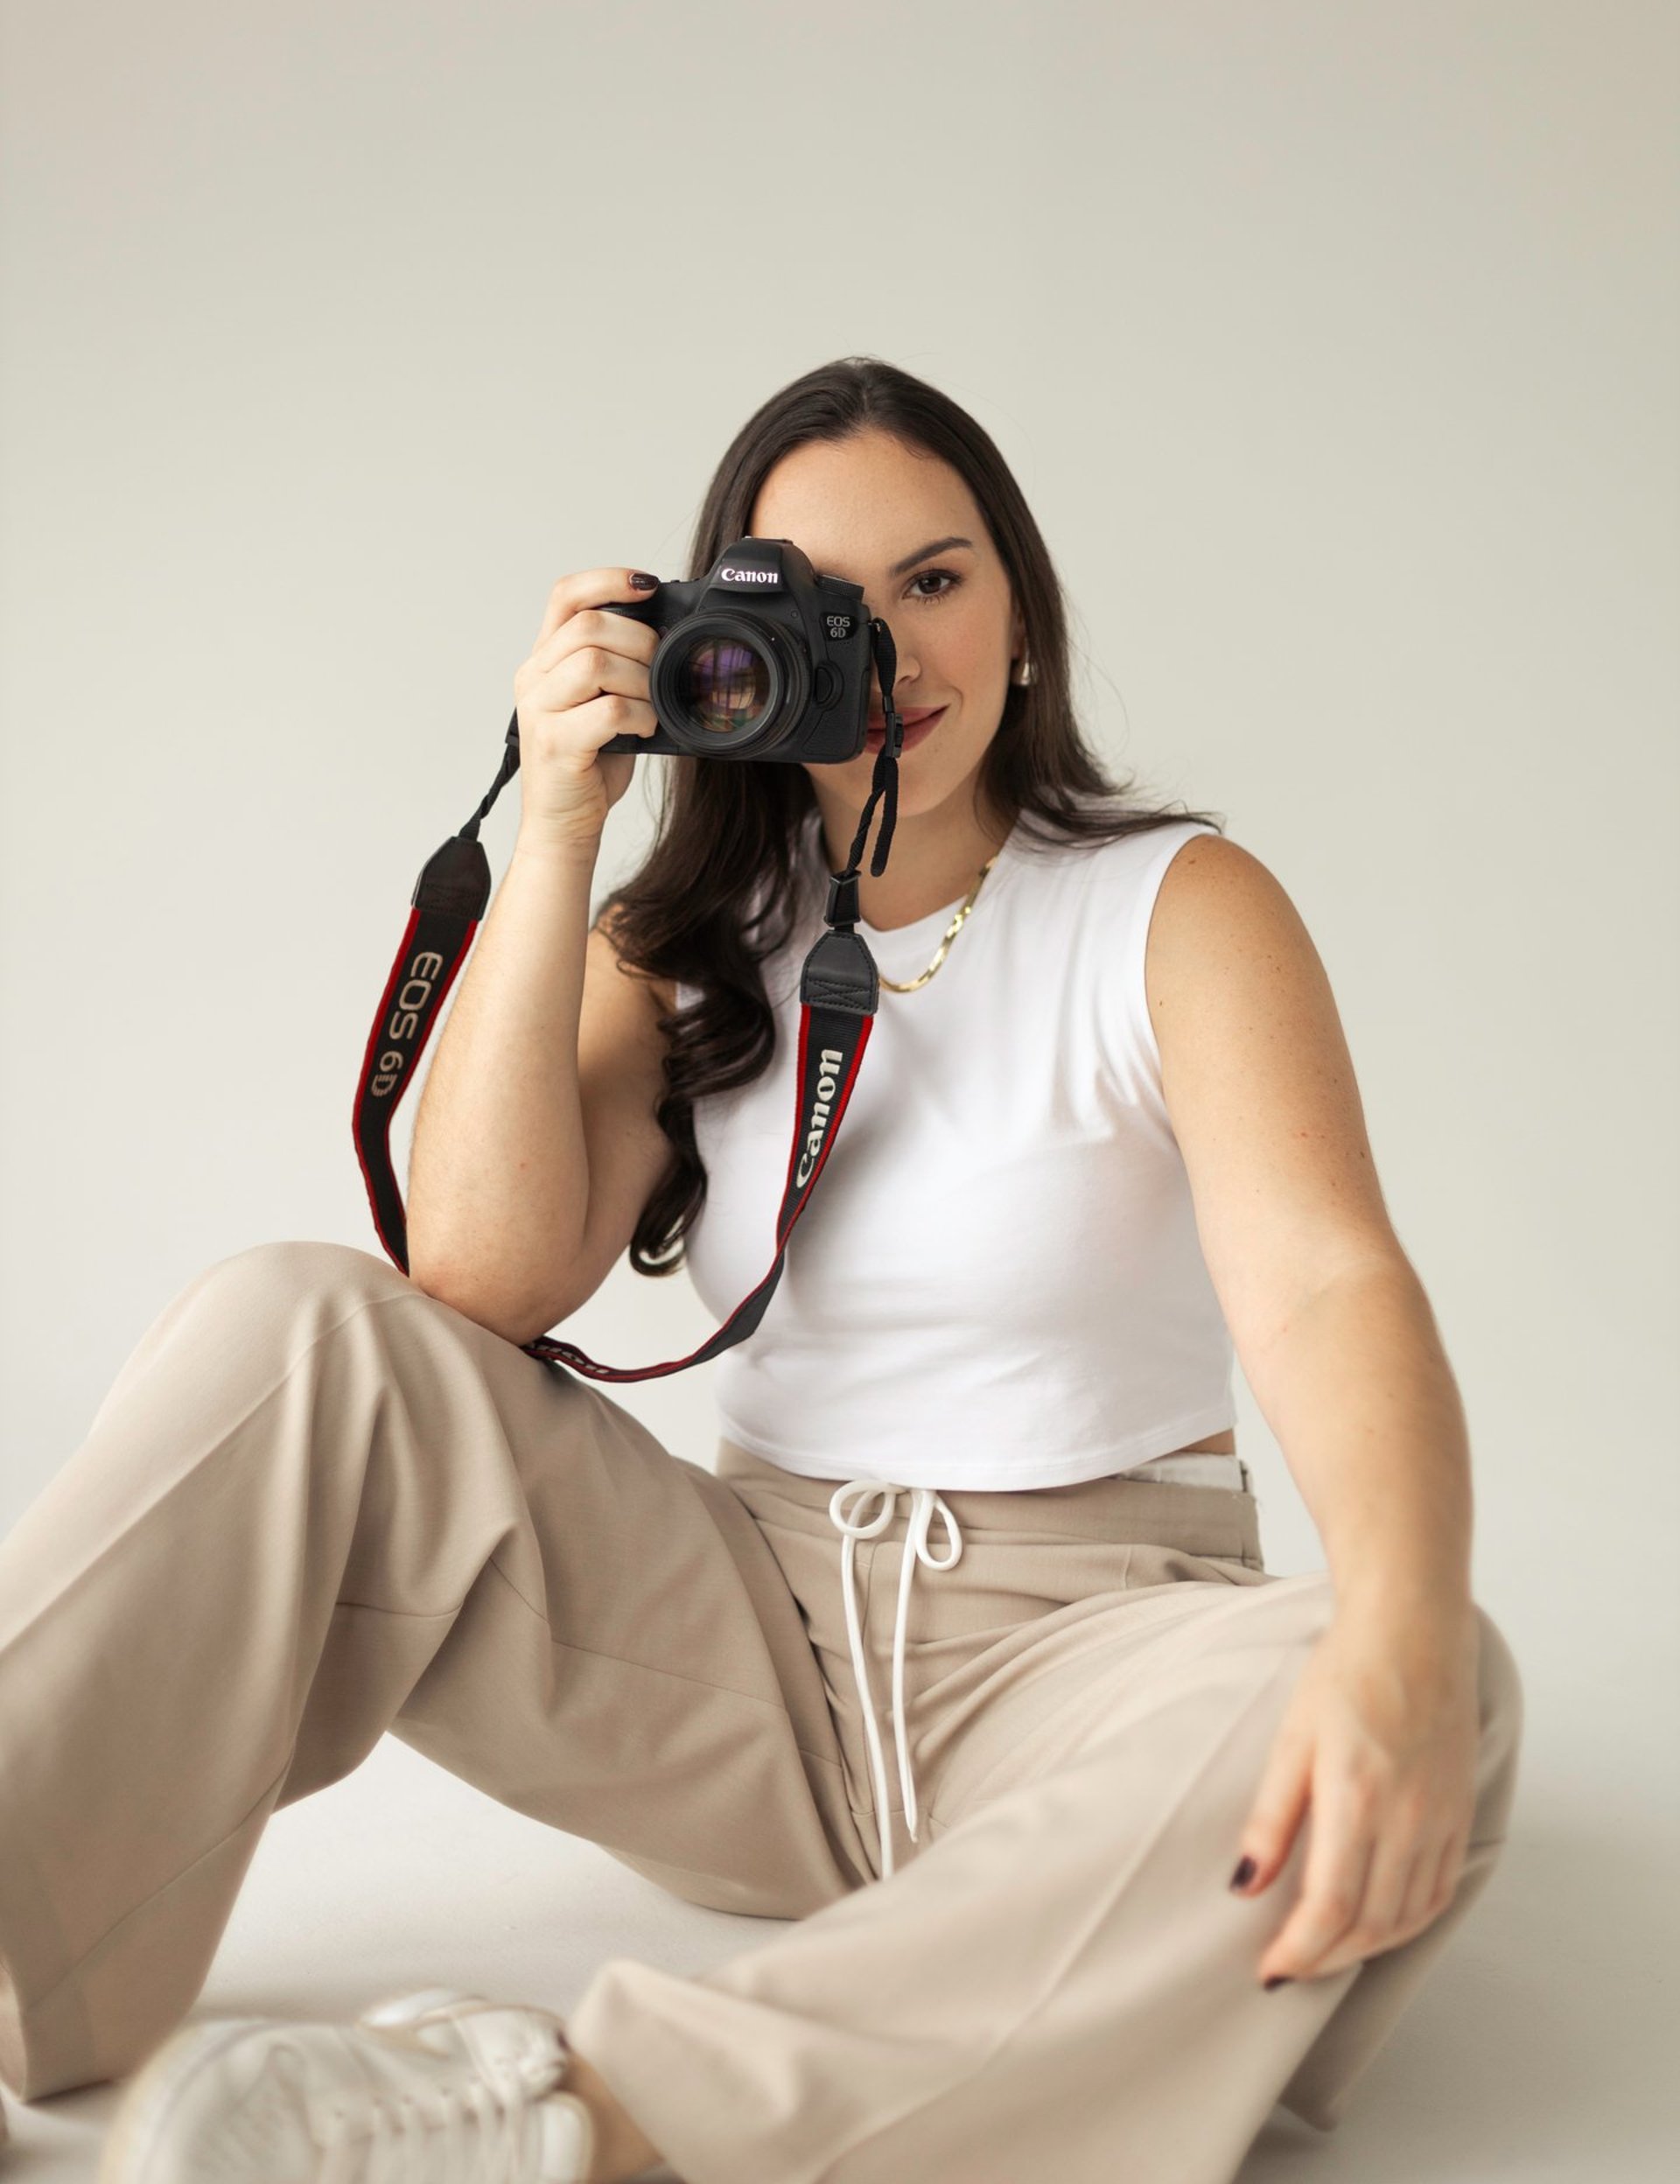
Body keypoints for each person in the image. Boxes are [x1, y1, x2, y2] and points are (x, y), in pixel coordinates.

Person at [0, 355, 1522, 2184]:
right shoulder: (692, 944)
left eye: (935, 581)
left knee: (1434, 1668)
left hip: (1098, 1663)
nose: (889, 654)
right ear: (723, 649)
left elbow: (1326, 1285)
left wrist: (1397, 1635)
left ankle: (579, 2126)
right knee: (300, 1323)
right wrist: (563, 824)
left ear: (1024, 614)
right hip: (737, 1670)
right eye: (823, 606)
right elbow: (474, 1285)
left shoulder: (1174, 906)